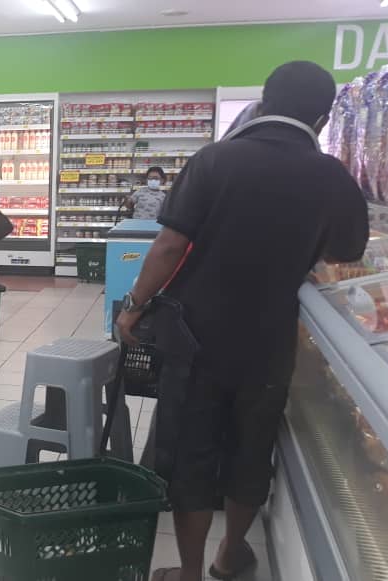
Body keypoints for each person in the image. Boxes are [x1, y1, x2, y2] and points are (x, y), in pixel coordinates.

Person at [115, 61, 368, 581]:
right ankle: (230, 554)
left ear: (264, 101)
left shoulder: (214, 160)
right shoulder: (332, 175)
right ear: (322, 119)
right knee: (251, 451)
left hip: (196, 338)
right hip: (271, 340)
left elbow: (170, 245)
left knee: (192, 454)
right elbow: (347, 253)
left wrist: (134, 304)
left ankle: (187, 572)